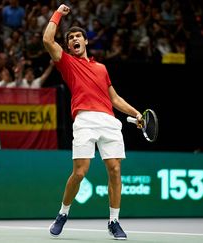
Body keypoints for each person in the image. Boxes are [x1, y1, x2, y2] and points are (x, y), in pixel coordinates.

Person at [43, 4, 143, 240]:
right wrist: (58, 13)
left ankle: (114, 221)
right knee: (80, 172)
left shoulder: (101, 68)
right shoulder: (66, 62)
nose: (75, 39)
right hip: (84, 120)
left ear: (86, 42)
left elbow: (115, 98)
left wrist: (137, 114)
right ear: (68, 45)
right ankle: (63, 213)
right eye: (71, 38)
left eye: (78, 36)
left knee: (115, 170)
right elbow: (47, 39)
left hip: (109, 121)